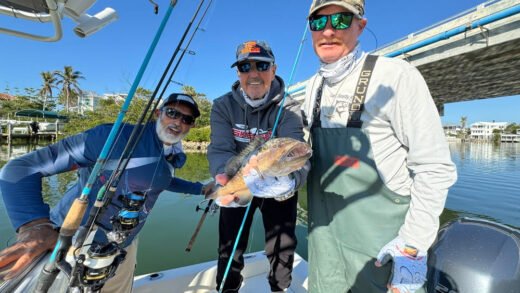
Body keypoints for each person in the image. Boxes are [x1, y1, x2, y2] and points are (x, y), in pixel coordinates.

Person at [301, 1, 458, 292]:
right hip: (324, 244)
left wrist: (412, 245)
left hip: (381, 247)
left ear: (360, 25)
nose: (328, 30)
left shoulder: (396, 75)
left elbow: (434, 167)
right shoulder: (312, 88)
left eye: (341, 19)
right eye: (318, 22)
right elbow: (310, 156)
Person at [0, 93, 212, 293]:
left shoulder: (170, 153)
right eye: (173, 113)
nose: (179, 122)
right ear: (158, 113)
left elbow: (161, 180)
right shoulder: (114, 137)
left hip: (122, 247)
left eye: (187, 119)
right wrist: (34, 225)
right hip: (70, 244)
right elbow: (20, 169)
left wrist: (200, 188)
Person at [207, 40, 309, 293]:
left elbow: (296, 151)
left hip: (275, 179)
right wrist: (224, 176)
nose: (253, 74)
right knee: (230, 243)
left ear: (273, 70)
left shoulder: (290, 107)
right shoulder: (222, 106)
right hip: (238, 180)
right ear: (238, 72)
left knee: (282, 243)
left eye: (262, 65)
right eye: (244, 66)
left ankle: (279, 288)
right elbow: (220, 149)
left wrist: (289, 182)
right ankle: (228, 288)